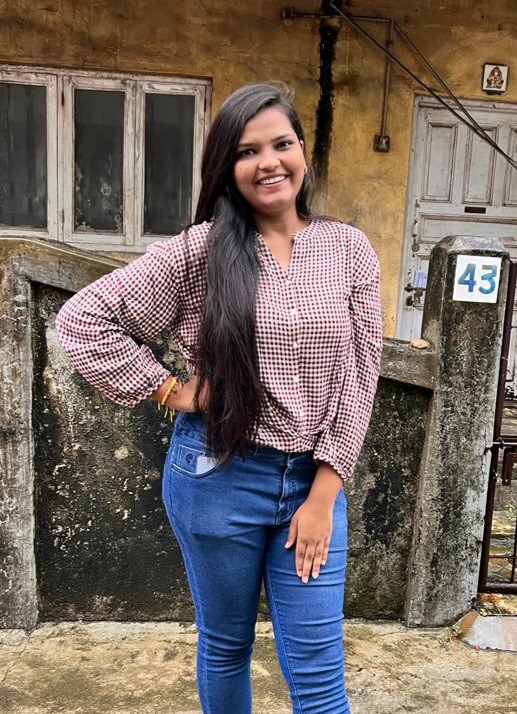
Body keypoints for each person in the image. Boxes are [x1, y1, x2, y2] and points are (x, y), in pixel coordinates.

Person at [55, 82, 383, 714]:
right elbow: (83, 318)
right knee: (226, 645)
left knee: (317, 673)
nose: (269, 162)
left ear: (302, 152)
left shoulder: (348, 250)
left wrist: (322, 495)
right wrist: (171, 389)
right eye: (247, 150)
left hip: (315, 485)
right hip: (216, 477)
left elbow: (361, 375)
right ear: (226, 168)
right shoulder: (198, 252)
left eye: (281, 144)